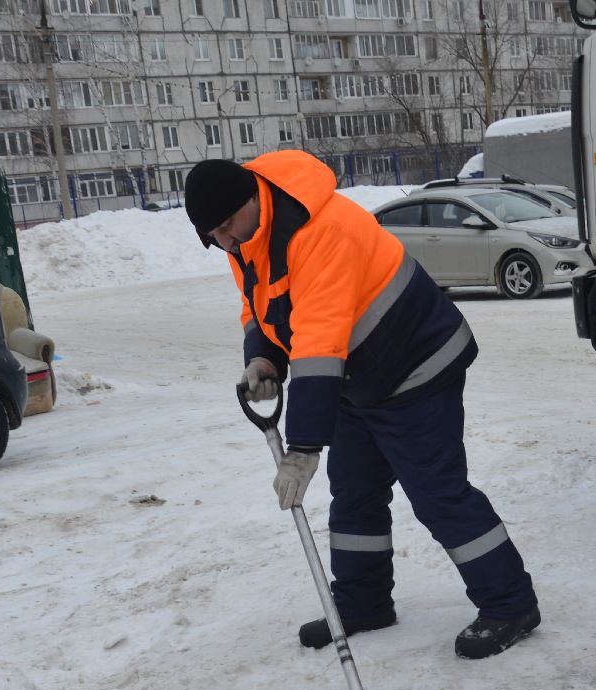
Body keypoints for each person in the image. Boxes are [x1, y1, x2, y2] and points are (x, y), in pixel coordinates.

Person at [185, 151, 540, 659]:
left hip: (416, 365)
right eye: (211, 236)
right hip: (359, 376)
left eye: (225, 228)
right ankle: (362, 603)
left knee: (438, 494)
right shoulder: (247, 235)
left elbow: (318, 340)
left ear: (249, 201)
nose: (224, 242)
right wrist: (262, 357)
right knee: (353, 494)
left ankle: (510, 604)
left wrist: (304, 447)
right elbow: (258, 303)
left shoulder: (318, 230)